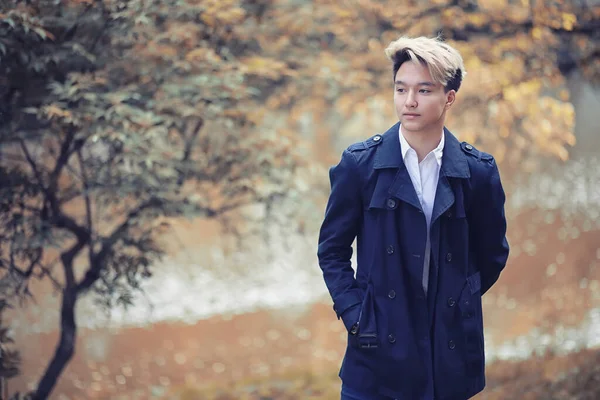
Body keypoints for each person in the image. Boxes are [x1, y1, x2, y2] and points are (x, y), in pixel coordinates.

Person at [317, 35, 510, 400]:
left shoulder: (477, 172)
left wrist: (454, 301)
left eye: (424, 90)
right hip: (376, 350)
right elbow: (332, 251)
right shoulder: (360, 166)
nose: (409, 101)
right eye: (401, 89)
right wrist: (357, 315)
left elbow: (492, 255)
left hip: (449, 351)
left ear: (449, 97)